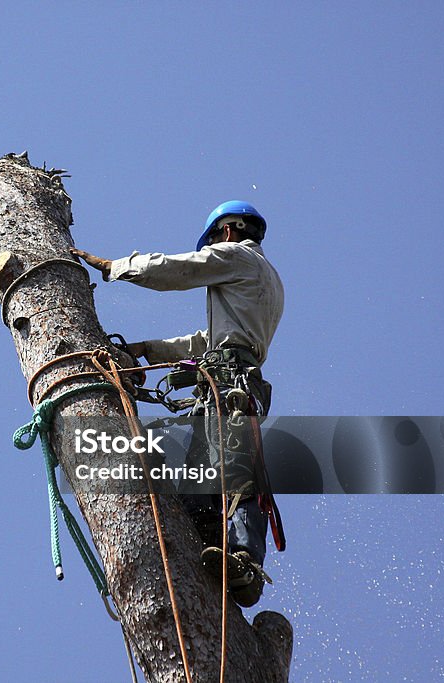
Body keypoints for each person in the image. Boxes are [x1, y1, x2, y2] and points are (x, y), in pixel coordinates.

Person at [70, 200, 284, 606]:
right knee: (198, 471)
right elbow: (206, 341)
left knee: (234, 467)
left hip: (231, 385)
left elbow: (179, 268)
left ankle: (245, 561)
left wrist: (114, 266)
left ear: (228, 230)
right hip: (226, 380)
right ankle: (210, 544)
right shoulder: (262, 279)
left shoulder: (237, 256)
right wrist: (146, 350)